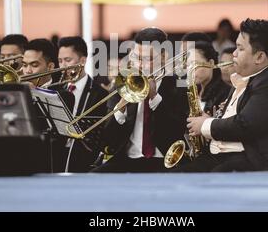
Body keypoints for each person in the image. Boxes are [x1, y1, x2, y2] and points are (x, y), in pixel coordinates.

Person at [178, 19, 268, 172]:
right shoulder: (246, 77)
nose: (234, 54)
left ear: (259, 57)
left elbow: (245, 125)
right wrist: (210, 119)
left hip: (258, 165)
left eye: (240, 48)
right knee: (177, 173)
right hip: (231, 157)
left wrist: (205, 124)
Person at [92, 27, 189, 172]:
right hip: (127, 159)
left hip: (165, 160)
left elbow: (176, 132)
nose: (141, 65)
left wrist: (155, 98)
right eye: (137, 58)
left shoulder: (179, 87)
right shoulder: (123, 83)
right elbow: (107, 139)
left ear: (163, 57)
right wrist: (120, 109)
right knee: (95, 175)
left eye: (148, 59)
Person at [54, 36, 109, 172]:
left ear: (83, 61)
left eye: (68, 60)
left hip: (83, 158)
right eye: (60, 61)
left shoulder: (100, 93)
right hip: (57, 155)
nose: (63, 66)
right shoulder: (56, 91)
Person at [187, 41, 231, 116]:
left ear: (210, 63)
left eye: (194, 64)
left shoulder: (227, 93)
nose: (190, 70)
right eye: (188, 65)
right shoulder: (194, 90)